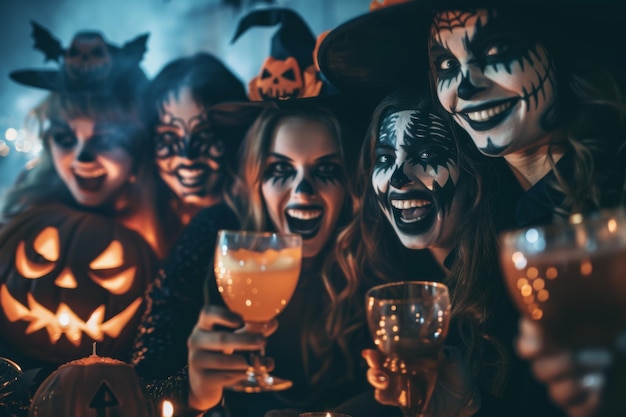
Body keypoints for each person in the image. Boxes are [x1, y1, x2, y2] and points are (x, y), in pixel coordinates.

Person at [317, 1, 626, 415]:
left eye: (497, 54)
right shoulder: (490, 233)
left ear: (559, 48)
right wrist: (467, 407)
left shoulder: (612, 205)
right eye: (446, 64)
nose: (464, 87)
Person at [327, 87, 567, 417]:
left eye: (426, 157)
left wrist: (471, 407)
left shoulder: (521, 289)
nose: (398, 177)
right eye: (384, 159)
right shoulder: (392, 275)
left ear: (474, 173)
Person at [2, 22, 170, 258]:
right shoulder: (27, 203)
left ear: (139, 144)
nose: (82, 157)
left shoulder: (170, 219)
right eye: (65, 138)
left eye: (106, 140)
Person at [144, 52, 250, 227]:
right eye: (169, 137)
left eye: (206, 135)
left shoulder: (256, 221)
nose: (188, 157)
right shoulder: (141, 215)